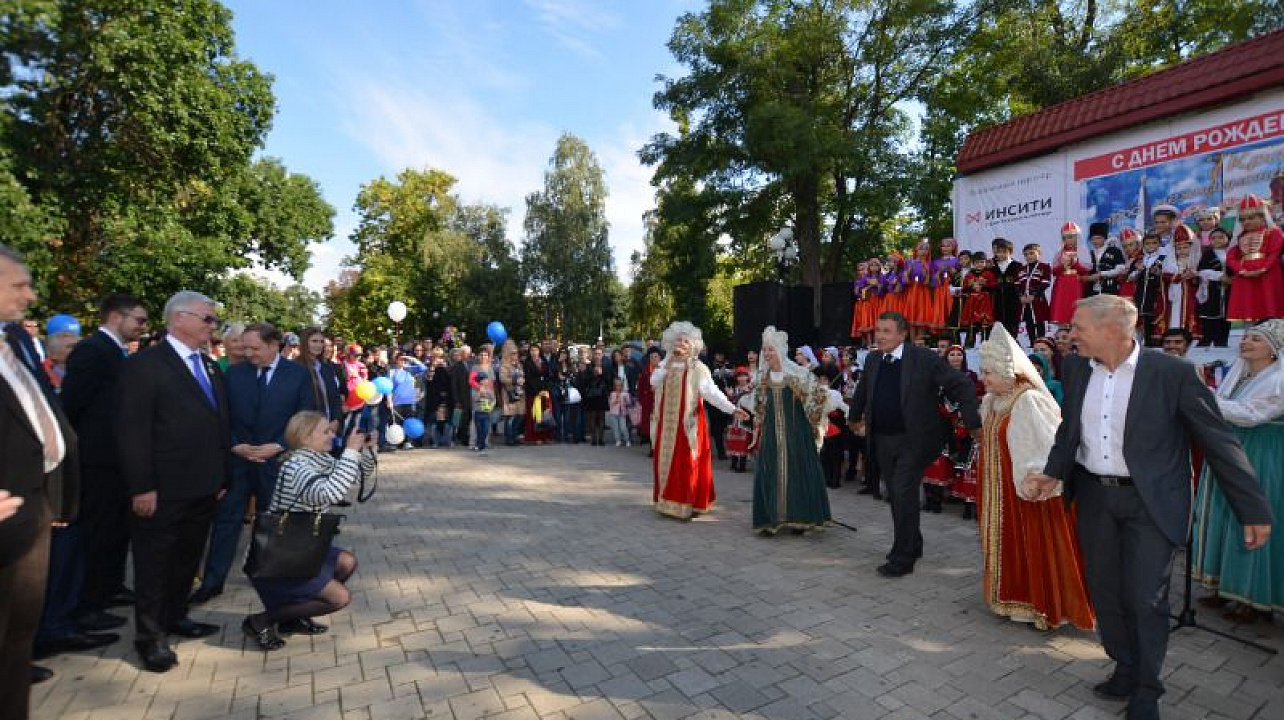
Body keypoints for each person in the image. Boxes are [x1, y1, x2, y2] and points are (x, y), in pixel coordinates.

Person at [1027, 294, 1272, 720]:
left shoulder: (1172, 374)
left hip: (1150, 503)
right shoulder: (1077, 368)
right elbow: (1070, 428)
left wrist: (1252, 508)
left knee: (1145, 597)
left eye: (1078, 327)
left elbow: (1218, 440)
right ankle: (1124, 664)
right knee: (1105, 592)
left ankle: (1146, 688)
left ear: (1113, 330)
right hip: (1095, 497)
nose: (1070, 335)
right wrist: (1053, 470)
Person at [116, 291, 230, 673]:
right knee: (153, 565)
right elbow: (133, 432)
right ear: (178, 319)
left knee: (186, 560)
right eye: (207, 319)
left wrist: (222, 477)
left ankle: (176, 616)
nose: (212, 326)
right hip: (161, 490)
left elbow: (219, 424)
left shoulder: (210, 367)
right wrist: (141, 486)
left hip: (204, 487)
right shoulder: (146, 365)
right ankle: (150, 638)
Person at [0, 244, 79, 713]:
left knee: (15, 644)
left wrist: (55, 495)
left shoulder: (14, 342)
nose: (31, 296)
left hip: (30, 512)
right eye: (18, 285)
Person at [975, 324, 1094, 631]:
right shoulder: (992, 401)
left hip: (1026, 490)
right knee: (1006, 541)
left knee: (1032, 542)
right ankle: (1009, 597)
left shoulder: (1028, 400)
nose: (983, 378)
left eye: (989, 372)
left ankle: (1038, 605)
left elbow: (1047, 443)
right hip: (997, 490)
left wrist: (1035, 479)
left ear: (1008, 371)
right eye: (983, 371)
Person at [848, 311, 981, 577]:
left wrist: (972, 422)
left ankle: (903, 557)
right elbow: (863, 391)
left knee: (902, 491)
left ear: (902, 333)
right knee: (897, 496)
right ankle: (913, 543)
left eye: (886, 331)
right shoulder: (873, 359)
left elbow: (961, 384)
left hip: (915, 440)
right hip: (882, 439)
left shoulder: (924, 359)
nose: (880, 336)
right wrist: (854, 419)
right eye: (877, 330)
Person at [193, 322, 314, 606]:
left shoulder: (298, 375)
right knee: (226, 523)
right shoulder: (234, 374)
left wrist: (279, 445)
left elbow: (306, 416)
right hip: (239, 462)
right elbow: (222, 415)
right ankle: (212, 582)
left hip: (277, 464)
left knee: (273, 526)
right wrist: (235, 444)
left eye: (254, 348)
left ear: (274, 345)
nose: (248, 353)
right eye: (244, 347)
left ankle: (274, 586)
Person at [242, 411, 374, 650]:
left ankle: (292, 618)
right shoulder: (296, 465)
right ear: (304, 437)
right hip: (279, 555)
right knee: (339, 598)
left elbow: (354, 476)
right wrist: (351, 452)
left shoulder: (318, 459)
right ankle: (262, 620)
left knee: (347, 562)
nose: (332, 436)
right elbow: (329, 492)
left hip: (301, 545)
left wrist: (366, 451)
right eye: (325, 431)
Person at [60, 294, 147, 627]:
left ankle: (110, 587)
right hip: (97, 461)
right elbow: (72, 404)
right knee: (97, 532)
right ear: (116, 317)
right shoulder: (92, 350)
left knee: (116, 529)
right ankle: (89, 604)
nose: (142, 327)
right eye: (138, 320)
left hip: (118, 460)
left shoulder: (115, 351)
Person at [1192, 319, 1284, 622]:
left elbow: (1251, 414)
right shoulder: (1239, 374)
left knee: (1250, 515)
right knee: (1223, 514)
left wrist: (1205, 397)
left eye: (1255, 339)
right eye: (1245, 338)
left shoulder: (1279, 379)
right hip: (1230, 447)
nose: (1245, 343)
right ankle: (1222, 585)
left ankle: (1253, 598)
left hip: (1260, 452)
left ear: (1273, 350)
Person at [650, 322, 747, 520]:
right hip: (666, 425)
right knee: (665, 462)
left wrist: (732, 409)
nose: (681, 344)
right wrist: (666, 364)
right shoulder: (664, 365)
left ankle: (687, 504)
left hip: (688, 425)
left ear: (693, 345)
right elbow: (653, 382)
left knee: (686, 464)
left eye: (686, 341)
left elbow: (712, 393)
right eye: (678, 340)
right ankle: (666, 502)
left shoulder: (698, 368)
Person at [751, 327, 842, 535]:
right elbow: (759, 406)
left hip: (796, 433)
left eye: (771, 350)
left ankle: (798, 518)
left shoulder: (797, 374)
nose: (767, 354)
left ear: (780, 351)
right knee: (770, 471)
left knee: (797, 471)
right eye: (764, 350)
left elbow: (815, 399)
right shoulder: (762, 377)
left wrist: (825, 399)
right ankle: (771, 519)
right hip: (772, 433)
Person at [1226, 194, 1284, 323]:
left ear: (1263, 217)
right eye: (1243, 219)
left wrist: (1262, 268)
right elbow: (1230, 257)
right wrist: (1241, 270)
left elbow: (1274, 253)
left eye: (1251, 218)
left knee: (1270, 307)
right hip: (1244, 276)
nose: (1246, 222)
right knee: (1248, 310)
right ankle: (1252, 336)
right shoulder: (1240, 236)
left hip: (1268, 275)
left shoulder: (1273, 232)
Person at [1195, 227, 1232, 348]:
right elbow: (1201, 271)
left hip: (1229, 292)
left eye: (1221, 237)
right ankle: (1205, 344)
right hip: (1211, 292)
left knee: (1226, 318)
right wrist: (1220, 276)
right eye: (1213, 238)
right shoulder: (1207, 254)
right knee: (1210, 320)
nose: (1217, 240)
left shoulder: (1232, 253)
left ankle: (1222, 344)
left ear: (1228, 238)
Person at [607, 376, 632, 447]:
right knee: (615, 428)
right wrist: (616, 399)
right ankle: (618, 440)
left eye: (620, 385)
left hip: (622, 413)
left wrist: (625, 400)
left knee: (623, 427)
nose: (618, 387)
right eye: (617, 385)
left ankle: (627, 439)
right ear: (614, 386)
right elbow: (610, 403)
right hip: (614, 413)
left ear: (622, 386)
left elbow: (629, 403)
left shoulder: (625, 393)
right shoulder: (612, 393)